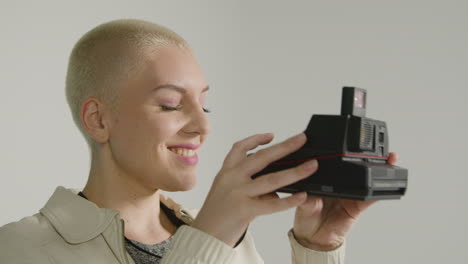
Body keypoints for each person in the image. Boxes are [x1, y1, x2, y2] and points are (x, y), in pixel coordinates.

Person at [0, 19, 398, 263]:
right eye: (172, 105)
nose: (202, 127)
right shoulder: (20, 250)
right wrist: (210, 237)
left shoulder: (229, 237)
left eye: (204, 106)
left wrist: (317, 248)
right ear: (99, 120)